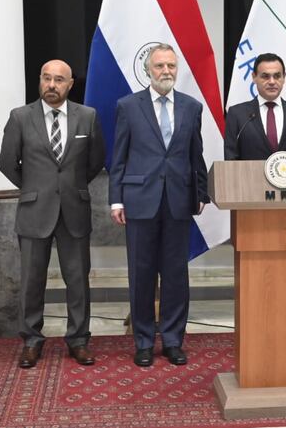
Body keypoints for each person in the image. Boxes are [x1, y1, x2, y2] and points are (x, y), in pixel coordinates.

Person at [0, 60, 105, 368]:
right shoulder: (20, 117)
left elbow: (96, 160)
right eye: (46, 78)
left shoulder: (87, 116)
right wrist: (33, 188)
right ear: (40, 80)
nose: (52, 85)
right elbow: (6, 162)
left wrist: (71, 187)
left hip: (74, 210)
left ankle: (78, 340)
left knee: (78, 280)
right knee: (32, 281)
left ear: (70, 84)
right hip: (34, 210)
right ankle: (31, 341)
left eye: (59, 80)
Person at [109, 43, 210, 367]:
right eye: (159, 66)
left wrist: (202, 192)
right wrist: (116, 199)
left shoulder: (192, 107)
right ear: (148, 71)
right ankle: (142, 341)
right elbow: (119, 157)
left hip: (179, 201)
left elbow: (196, 154)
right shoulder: (128, 106)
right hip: (139, 201)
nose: (166, 71)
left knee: (176, 275)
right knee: (141, 274)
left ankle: (172, 340)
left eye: (171, 66)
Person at [223, 53, 286, 160]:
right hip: (249, 171)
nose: (272, 82)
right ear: (254, 77)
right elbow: (231, 160)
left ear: (284, 77)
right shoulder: (237, 114)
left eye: (277, 76)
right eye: (265, 76)